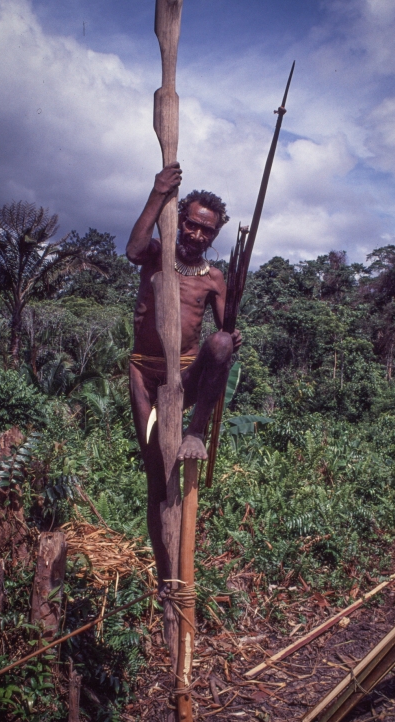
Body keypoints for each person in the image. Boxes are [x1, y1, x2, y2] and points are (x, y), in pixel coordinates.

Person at [126, 161, 241, 590]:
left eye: (205, 231)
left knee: (222, 344)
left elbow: (223, 334)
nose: (196, 235)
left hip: (186, 377)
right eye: (190, 225)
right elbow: (134, 248)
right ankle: (165, 577)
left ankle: (195, 432)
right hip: (145, 375)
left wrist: (232, 335)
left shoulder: (213, 278)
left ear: (215, 236)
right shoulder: (157, 255)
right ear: (181, 222)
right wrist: (159, 193)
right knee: (158, 480)